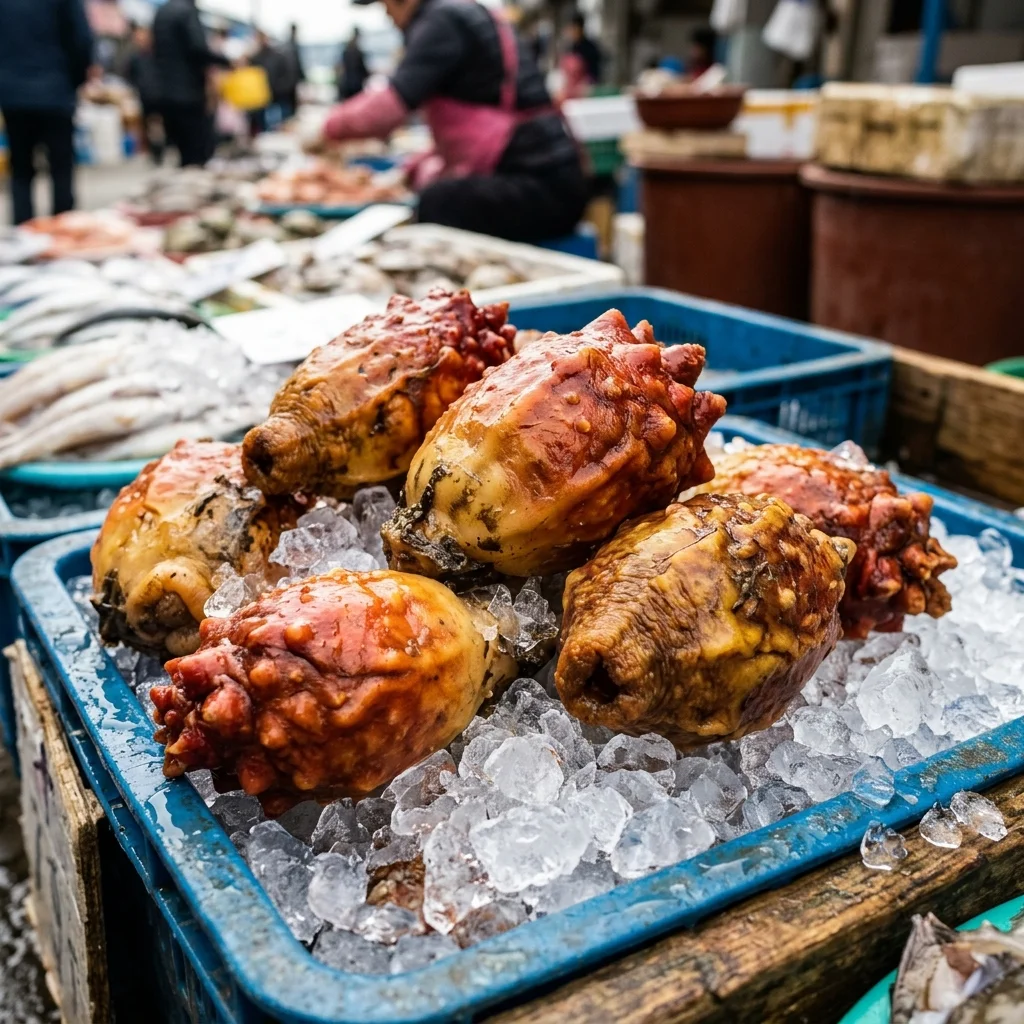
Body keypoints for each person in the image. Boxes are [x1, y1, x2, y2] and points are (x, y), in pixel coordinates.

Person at [322, 0, 587, 244]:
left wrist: (326, 128)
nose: (388, 15)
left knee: (437, 202)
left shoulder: (441, 21)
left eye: (386, 5)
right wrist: (410, 172)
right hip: (553, 184)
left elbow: (390, 107)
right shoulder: (463, 13)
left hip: (545, 193)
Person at [0, 0, 94, 225]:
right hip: (56, 89)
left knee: (21, 168)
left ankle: (23, 233)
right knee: (61, 167)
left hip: (13, 93)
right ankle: (63, 230)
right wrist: (76, 79)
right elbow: (81, 39)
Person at [152, 0, 231, 166]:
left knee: (183, 152)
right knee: (197, 154)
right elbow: (198, 49)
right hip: (188, 94)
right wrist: (227, 62)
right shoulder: (187, 11)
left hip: (164, 92)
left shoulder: (162, 12)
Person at [126, 25, 165, 165]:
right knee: (149, 125)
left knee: (158, 124)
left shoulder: (157, 55)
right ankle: (154, 152)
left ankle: (159, 151)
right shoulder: (135, 58)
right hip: (145, 96)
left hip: (159, 95)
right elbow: (130, 76)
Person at [559, 12, 602, 100]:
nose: (571, 31)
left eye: (574, 28)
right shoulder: (568, 47)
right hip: (568, 92)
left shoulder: (590, 48)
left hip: (584, 94)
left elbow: (594, 74)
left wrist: (586, 86)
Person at [248, 29, 283, 135]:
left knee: (273, 124)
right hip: (258, 96)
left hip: (273, 94)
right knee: (261, 123)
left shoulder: (275, 55)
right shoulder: (254, 56)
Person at [276, 23, 305, 120]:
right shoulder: (292, 46)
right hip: (290, 82)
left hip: (287, 82)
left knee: (288, 108)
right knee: (289, 109)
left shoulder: (285, 45)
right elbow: (297, 64)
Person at [337, 29, 370, 100]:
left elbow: (341, 67)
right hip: (356, 86)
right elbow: (362, 70)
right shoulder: (358, 52)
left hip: (346, 84)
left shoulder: (346, 50)